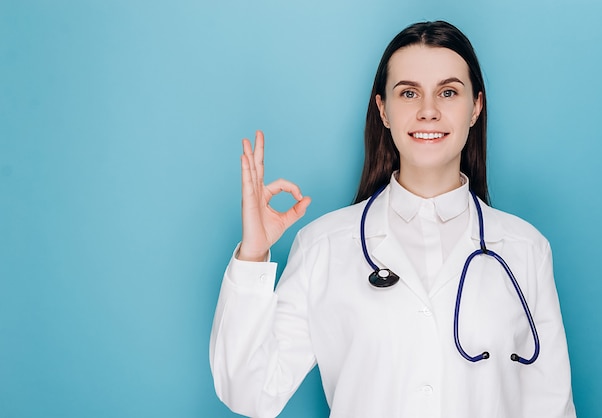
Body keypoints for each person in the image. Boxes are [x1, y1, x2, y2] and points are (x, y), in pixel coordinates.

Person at [210, 21, 576, 418]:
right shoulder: (324, 245)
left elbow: (551, 408)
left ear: (476, 107)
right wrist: (253, 255)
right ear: (383, 110)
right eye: (409, 93)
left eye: (449, 92)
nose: (429, 110)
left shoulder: (525, 249)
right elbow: (250, 392)